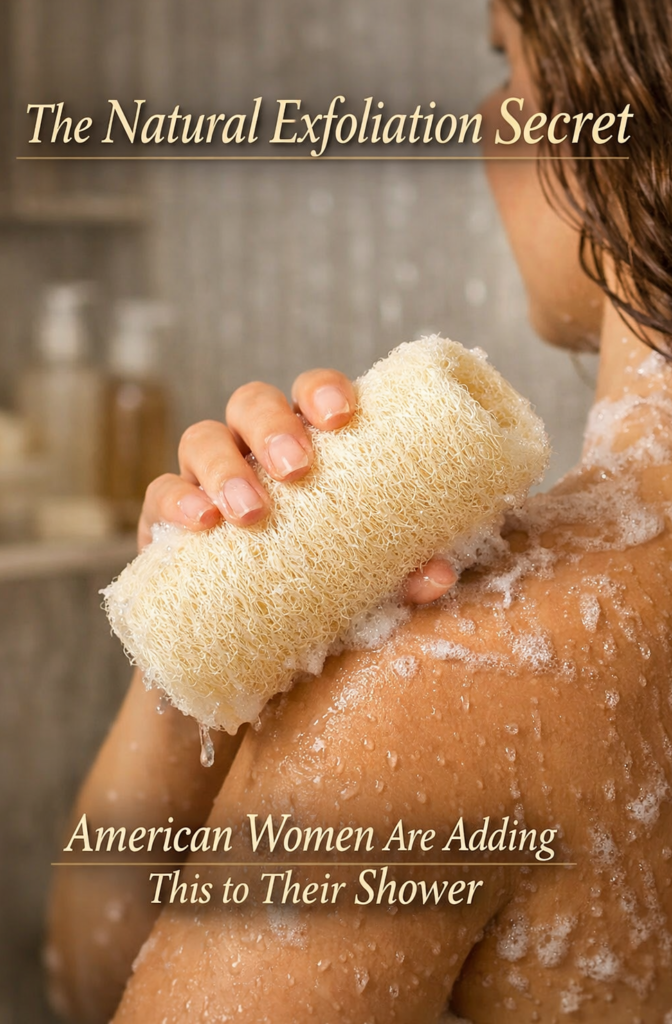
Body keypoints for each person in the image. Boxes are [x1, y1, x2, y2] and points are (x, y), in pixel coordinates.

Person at [47, 0, 672, 1021]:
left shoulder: (461, 672)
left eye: (510, 70)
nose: (487, 117)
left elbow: (85, 994)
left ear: (615, 102)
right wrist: (203, 637)